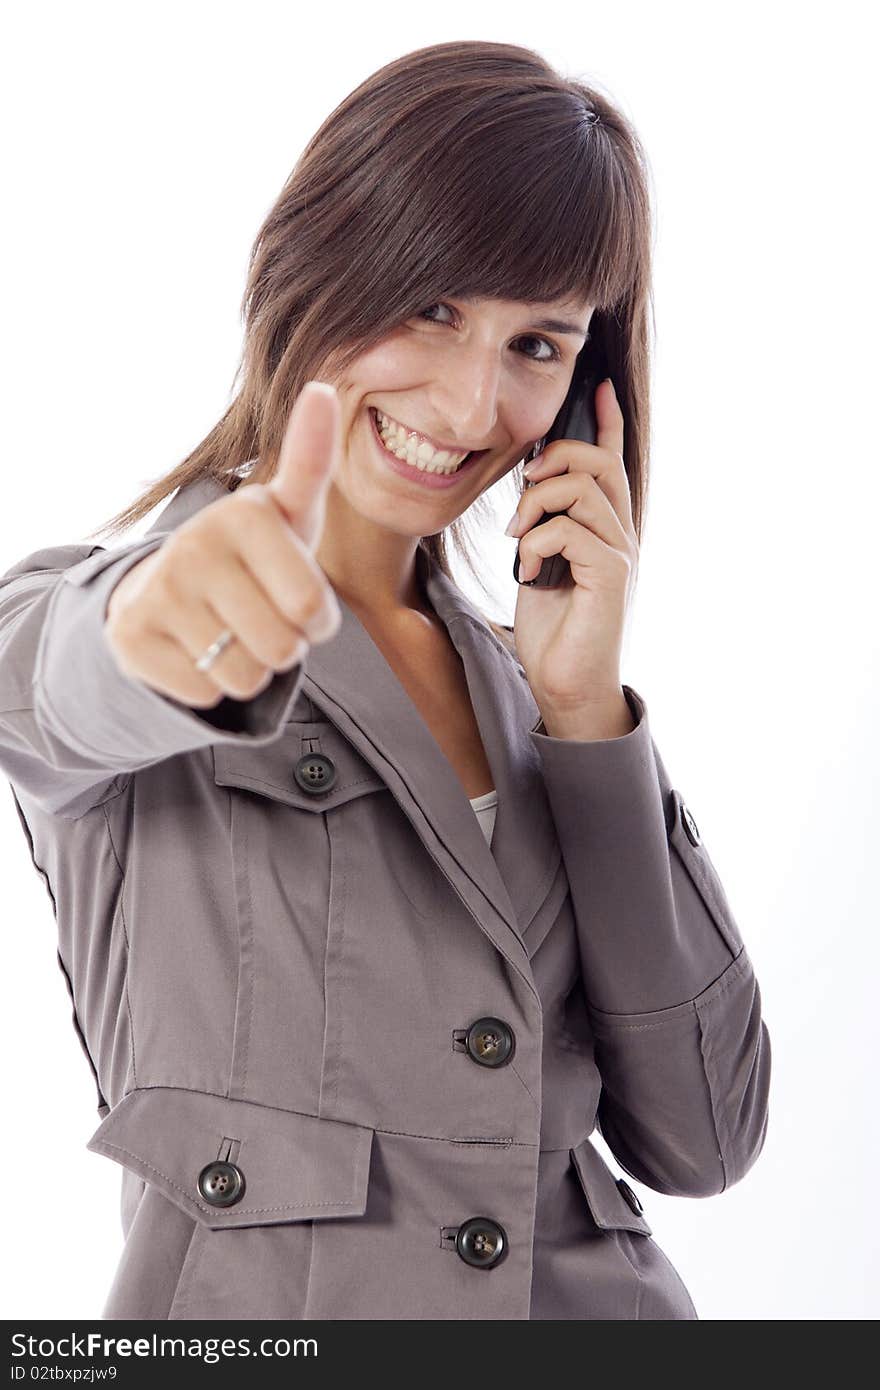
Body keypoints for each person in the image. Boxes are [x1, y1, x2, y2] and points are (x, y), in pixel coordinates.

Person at [0, 39, 770, 1320]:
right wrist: (164, 624)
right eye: (434, 308)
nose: (473, 403)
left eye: (537, 345)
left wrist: (587, 717)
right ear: (314, 267)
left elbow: (708, 1136)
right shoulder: (129, 611)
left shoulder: (535, 696)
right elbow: (45, 680)